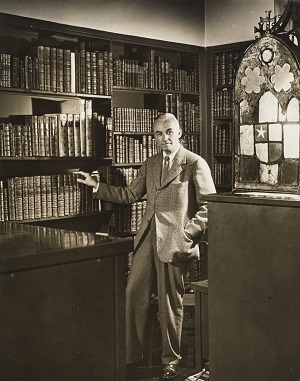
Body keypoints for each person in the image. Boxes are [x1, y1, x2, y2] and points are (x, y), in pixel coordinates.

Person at [75, 113, 216, 380]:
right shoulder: (151, 164)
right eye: (158, 134)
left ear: (180, 132)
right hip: (147, 239)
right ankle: (132, 356)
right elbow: (130, 195)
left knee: (169, 303)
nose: (165, 138)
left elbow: (210, 207)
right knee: (132, 292)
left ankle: (171, 359)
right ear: (154, 138)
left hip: (175, 244)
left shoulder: (194, 163)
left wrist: (188, 233)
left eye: (170, 132)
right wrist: (96, 186)